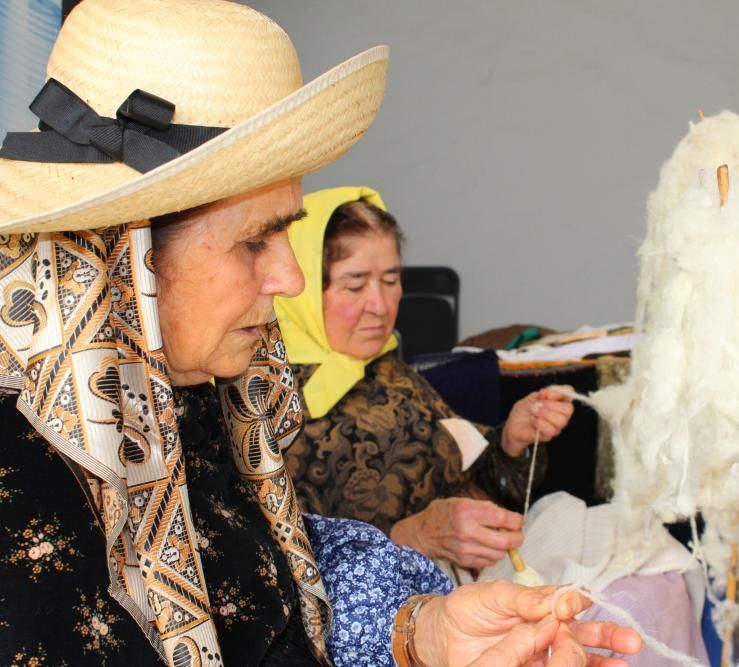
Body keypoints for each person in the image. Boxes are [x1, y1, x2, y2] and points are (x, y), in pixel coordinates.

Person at [0, 2, 641, 666]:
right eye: (255, 241)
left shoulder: (197, 399)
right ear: (123, 260)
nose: (292, 278)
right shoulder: (23, 503)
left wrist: (419, 632)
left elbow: (265, 575)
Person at [277, 189, 711, 666]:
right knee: (615, 617)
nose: (380, 305)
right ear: (301, 289)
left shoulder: (391, 374)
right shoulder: (272, 410)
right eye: (355, 285)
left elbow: (472, 475)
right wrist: (410, 535)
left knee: (644, 552)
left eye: (392, 280)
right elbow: (287, 570)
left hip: (482, 568)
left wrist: (510, 440)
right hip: (411, 611)